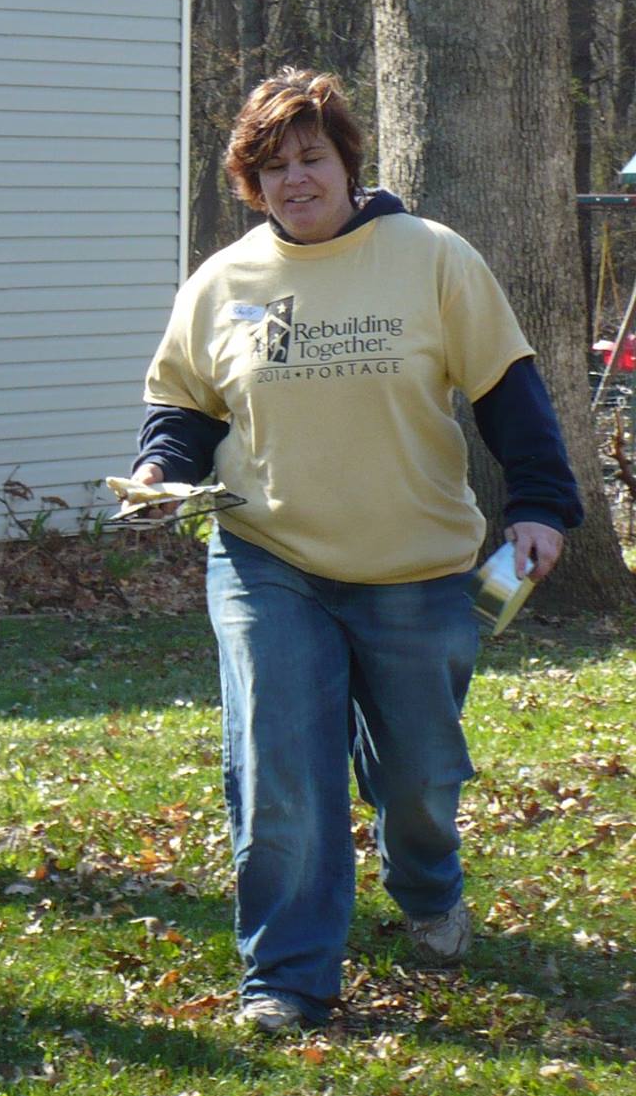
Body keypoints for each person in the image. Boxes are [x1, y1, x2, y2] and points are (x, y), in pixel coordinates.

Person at [131, 69, 583, 1033]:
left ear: (347, 163)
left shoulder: (430, 258)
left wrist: (542, 504)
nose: (296, 180)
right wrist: (163, 474)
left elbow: (508, 389)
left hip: (416, 568)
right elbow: (180, 410)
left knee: (418, 776)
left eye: (312, 158)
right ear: (251, 186)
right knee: (284, 771)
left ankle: (425, 883)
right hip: (269, 558)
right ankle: (288, 975)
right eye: (273, 168)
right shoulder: (223, 283)